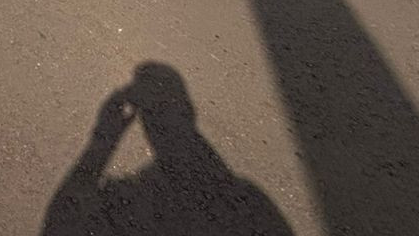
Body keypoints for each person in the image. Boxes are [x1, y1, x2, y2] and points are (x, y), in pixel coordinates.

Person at [41, 62, 294, 235]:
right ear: (190, 112)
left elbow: (60, 224)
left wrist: (102, 141)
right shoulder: (246, 202)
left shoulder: (132, 206)